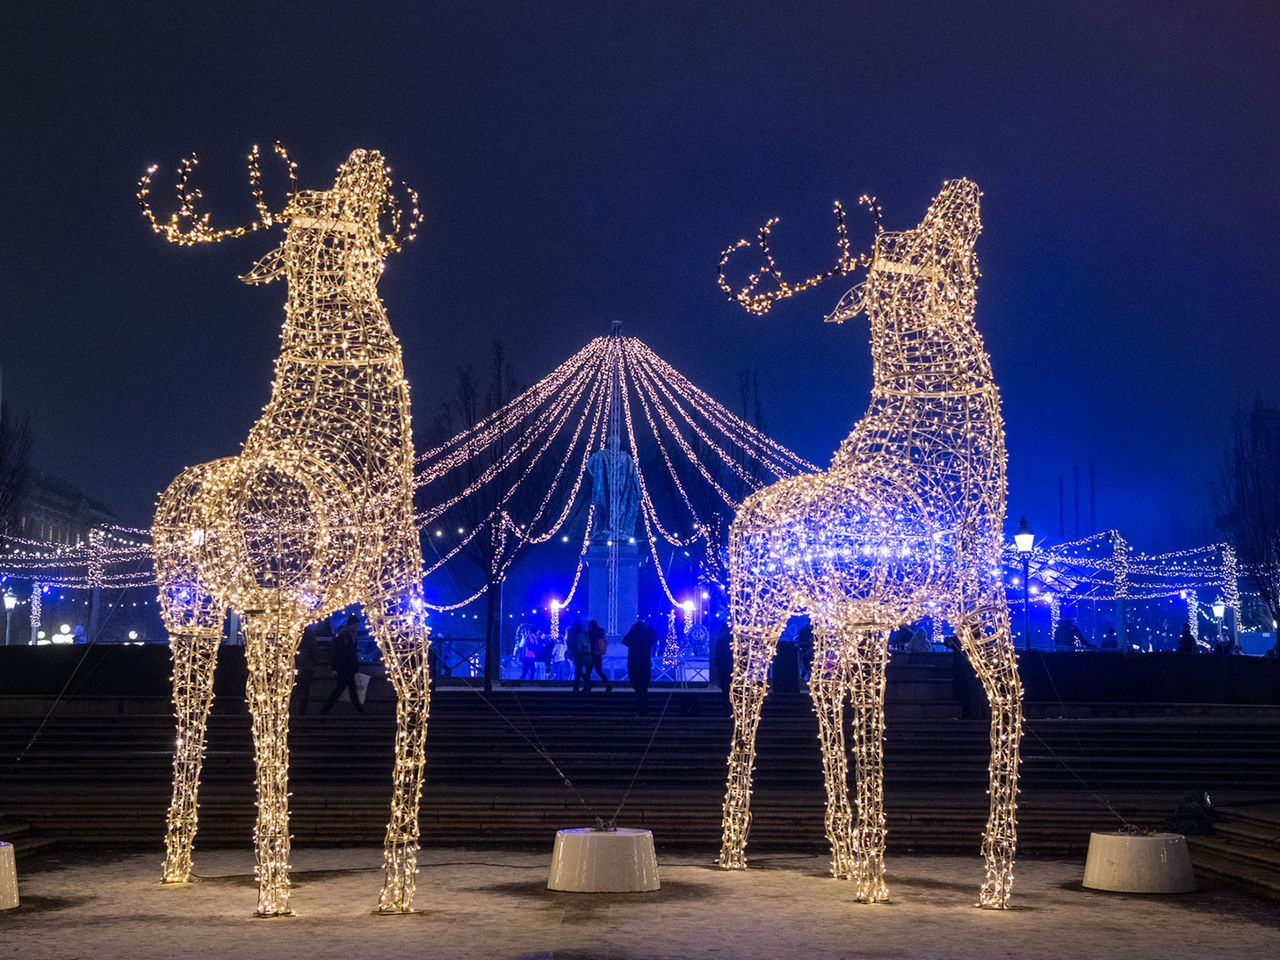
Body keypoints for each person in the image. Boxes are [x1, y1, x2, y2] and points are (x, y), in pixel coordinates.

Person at [321, 614, 365, 714]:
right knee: (348, 689)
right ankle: (360, 711)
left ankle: (325, 710)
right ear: (352, 625)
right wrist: (334, 667)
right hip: (344, 667)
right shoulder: (345, 636)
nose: (357, 627)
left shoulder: (347, 636)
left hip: (346, 667)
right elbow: (338, 653)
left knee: (343, 689)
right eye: (356, 625)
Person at [623, 618, 659, 716]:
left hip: (634, 665)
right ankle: (645, 710)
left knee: (638, 690)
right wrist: (649, 628)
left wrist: (632, 630)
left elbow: (625, 641)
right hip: (645, 665)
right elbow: (654, 637)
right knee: (644, 689)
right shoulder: (646, 639)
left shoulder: (633, 638)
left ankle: (641, 710)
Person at [291, 625, 320, 715]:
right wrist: (315, 660)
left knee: (294, 689)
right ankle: (301, 712)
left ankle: (289, 710)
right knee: (304, 690)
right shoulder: (308, 632)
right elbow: (313, 649)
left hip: (293, 664)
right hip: (305, 665)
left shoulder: (292, 630)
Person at [583, 620, 613, 692]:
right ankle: (607, 685)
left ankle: (587, 687)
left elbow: (587, 642)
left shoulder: (589, 633)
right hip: (598, 654)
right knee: (599, 671)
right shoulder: (600, 632)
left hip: (590, 654)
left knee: (588, 672)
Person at [713, 622, 734, 716]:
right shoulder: (732, 638)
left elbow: (717, 654)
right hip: (731, 665)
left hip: (723, 666)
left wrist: (717, 665)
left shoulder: (720, 639)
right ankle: (732, 709)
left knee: (725, 689)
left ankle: (726, 710)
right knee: (732, 689)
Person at [567, 621, 590, 692]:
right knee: (579, 670)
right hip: (585, 653)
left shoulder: (572, 633)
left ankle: (578, 686)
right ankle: (586, 685)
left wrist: (569, 653)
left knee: (577, 670)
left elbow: (570, 644)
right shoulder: (584, 633)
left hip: (576, 653)